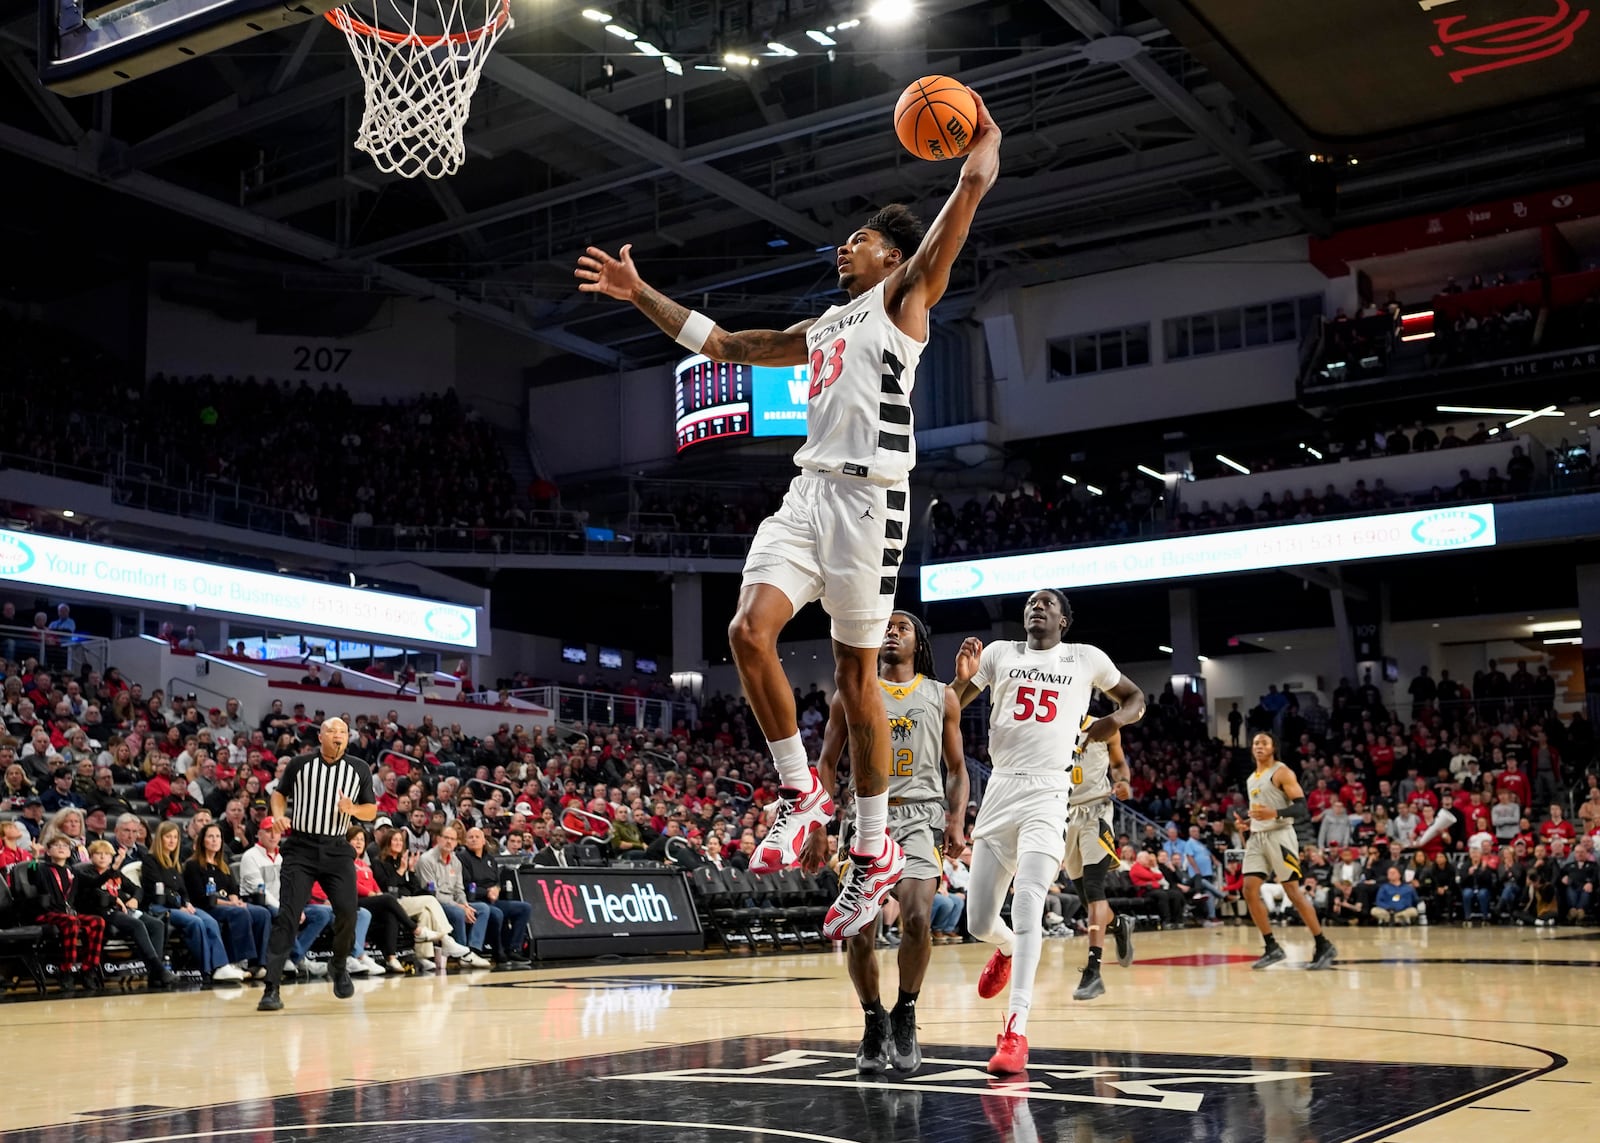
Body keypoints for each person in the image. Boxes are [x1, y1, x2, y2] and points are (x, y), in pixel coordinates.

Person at [573, 91, 1003, 941]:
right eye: (845, 239)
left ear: (891, 256)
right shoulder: (823, 324)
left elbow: (963, 203)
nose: (845, 246)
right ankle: (801, 791)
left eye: (861, 239)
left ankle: (874, 850)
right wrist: (638, 293)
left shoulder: (906, 297)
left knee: (855, 682)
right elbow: (726, 344)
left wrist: (982, 147)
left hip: (871, 501)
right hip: (807, 496)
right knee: (745, 632)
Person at [951, 589, 1145, 1074]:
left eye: (1047, 603)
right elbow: (946, 712)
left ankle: (1016, 1031)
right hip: (999, 790)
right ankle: (1005, 948)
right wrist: (957, 684)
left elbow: (1136, 698)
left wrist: (1112, 719)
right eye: (1031, 602)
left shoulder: (1085, 658)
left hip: (1049, 792)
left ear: (1064, 619)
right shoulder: (999, 654)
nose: (1037, 607)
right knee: (978, 923)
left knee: (1030, 900)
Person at [802, 610, 967, 1074]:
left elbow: (956, 770)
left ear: (919, 642)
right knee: (860, 930)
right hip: (866, 818)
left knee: (917, 919)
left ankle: (906, 1011)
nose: (892, 632)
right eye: (886, 627)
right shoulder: (851, 693)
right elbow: (827, 764)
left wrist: (955, 821)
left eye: (903, 627)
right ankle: (874, 1019)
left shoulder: (942, 696)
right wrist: (818, 825)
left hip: (921, 817)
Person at [259, 718, 377, 1012]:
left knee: (350, 911)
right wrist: (278, 816)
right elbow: (279, 794)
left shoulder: (359, 768)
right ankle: (272, 987)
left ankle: (338, 965)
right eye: (333, 732)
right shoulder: (300, 764)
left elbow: (371, 809)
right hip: (301, 847)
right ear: (321, 736)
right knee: (288, 915)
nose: (338, 736)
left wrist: (353, 809)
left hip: (337, 848)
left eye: (343, 733)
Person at [1236, 733, 1337, 970]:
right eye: (1256, 744)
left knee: (1292, 890)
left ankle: (1323, 943)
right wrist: (1248, 825)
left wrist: (1276, 814)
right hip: (1258, 837)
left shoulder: (1282, 772)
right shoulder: (1252, 778)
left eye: (1264, 743)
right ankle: (1272, 946)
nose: (1259, 747)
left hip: (1280, 836)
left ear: (1273, 748)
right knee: (1249, 889)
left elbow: (1302, 808)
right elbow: (1262, 812)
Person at [1062, 702, 1136, 1000]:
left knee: (1094, 887)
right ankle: (1119, 924)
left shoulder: (1106, 727)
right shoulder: (1051, 725)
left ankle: (1093, 970)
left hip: (1097, 811)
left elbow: (1119, 765)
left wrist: (1123, 782)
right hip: (1066, 814)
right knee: (1082, 893)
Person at [78, 838, 173, 988]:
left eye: (107, 854)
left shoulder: (116, 875)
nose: (103, 857)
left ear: (111, 857)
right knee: (137, 924)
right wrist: (114, 898)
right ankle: (159, 968)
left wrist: (135, 899)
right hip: (102, 912)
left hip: (122, 911)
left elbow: (137, 889)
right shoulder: (85, 873)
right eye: (98, 854)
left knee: (157, 925)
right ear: (91, 856)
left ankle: (155, 975)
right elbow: (94, 891)